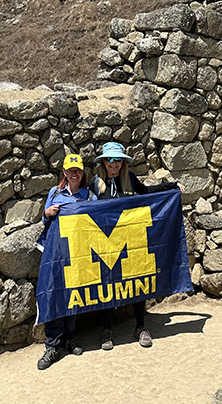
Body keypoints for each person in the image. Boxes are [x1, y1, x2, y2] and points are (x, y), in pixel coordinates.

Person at [89, 141, 182, 351]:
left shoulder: (129, 179)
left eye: (118, 160)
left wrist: (171, 187)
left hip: (130, 242)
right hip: (106, 244)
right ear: (103, 161)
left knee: (136, 283)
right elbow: (83, 210)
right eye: (110, 159)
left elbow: (148, 192)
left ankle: (140, 327)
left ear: (123, 162)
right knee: (106, 287)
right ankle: (107, 329)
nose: (114, 163)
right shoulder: (95, 184)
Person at [37, 153, 97, 371]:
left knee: (73, 296)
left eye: (78, 170)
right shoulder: (55, 193)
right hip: (55, 254)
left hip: (77, 255)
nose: (74, 173)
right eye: (70, 170)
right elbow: (44, 219)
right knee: (54, 294)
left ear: (83, 173)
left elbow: (96, 222)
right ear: (64, 172)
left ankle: (69, 338)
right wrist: (48, 212)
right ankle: (51, 345)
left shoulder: (90, 197)